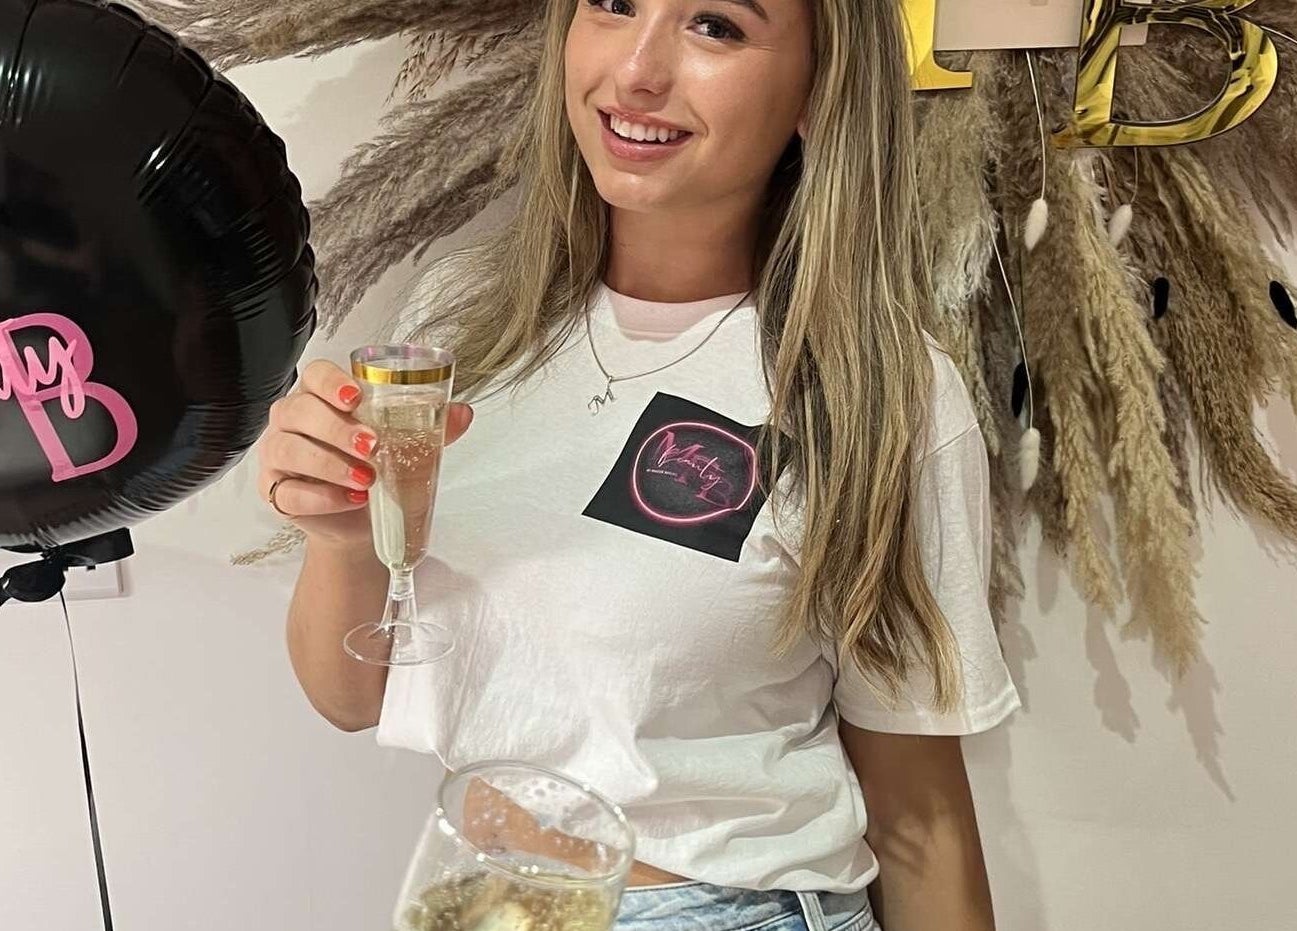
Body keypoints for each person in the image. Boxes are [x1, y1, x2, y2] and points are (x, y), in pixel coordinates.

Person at [257, 0, 1021, 927]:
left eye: (716, 26)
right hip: (473, 891)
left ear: (818, 91)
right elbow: (352, 698)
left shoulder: (875, 394)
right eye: (614, 5)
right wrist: (341, 541)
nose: (636, 72)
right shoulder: (465, 322)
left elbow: (915, 795)